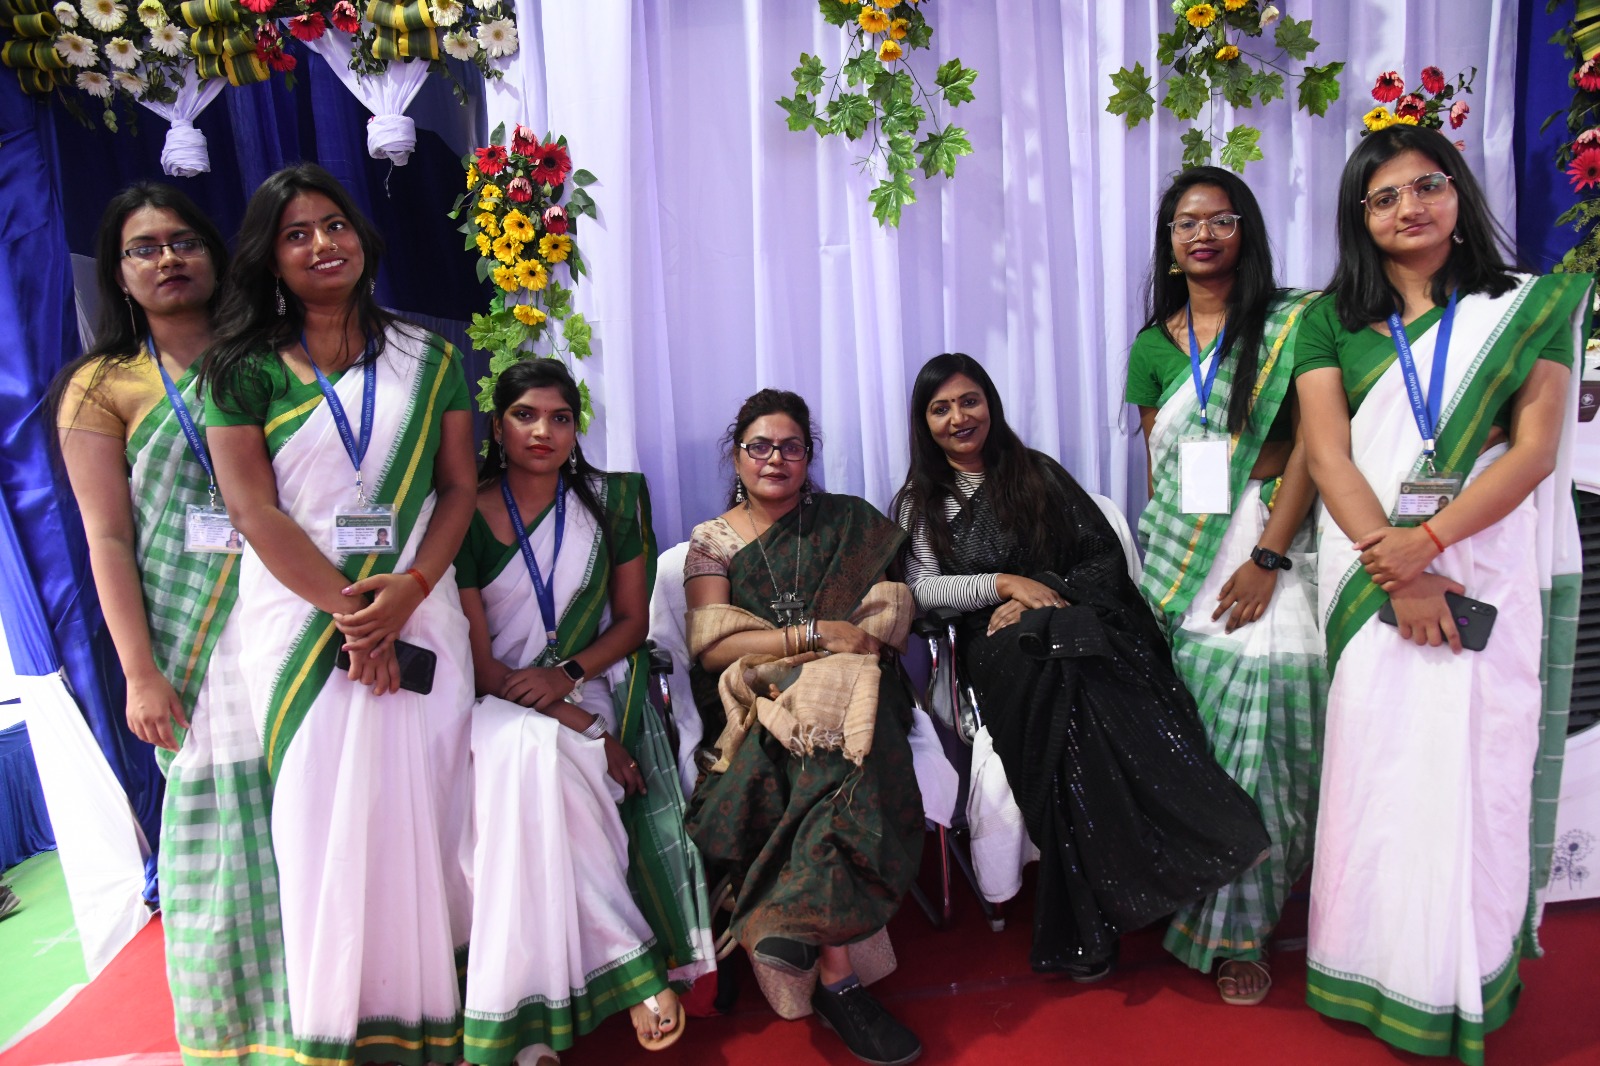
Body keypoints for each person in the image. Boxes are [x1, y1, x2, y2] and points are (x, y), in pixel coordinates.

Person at [1294, 126, 1591, 1062]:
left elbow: (1534, 452)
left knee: (1474, 770)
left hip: (1481, 568)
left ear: (1458, 191)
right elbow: (1328, 454)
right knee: (1378, 772)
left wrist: (1427, 545)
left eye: (1425, 185)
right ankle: (1367, 966)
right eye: (1382, 197)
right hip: (1371, 579)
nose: (1407, 207)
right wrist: (1402, 571)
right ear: (1360, 218)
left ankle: (1462, 971)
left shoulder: (1524, 307)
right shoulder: (1328, 319)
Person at [202, 163, 477, 1065]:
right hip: (300, 625)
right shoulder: (240, 369)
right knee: (321, 818)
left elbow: (458, 488)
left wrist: (410, 590)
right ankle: (341, 1030)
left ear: (362, 236)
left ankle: (443, 1013)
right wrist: (357, 618)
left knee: (428, 805)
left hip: (419, 608)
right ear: (269, 258)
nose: (322, 244)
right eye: (296, 234)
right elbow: (253, 511)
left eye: (334, 224)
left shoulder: (430, 359)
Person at [892, 353, 1271, 982]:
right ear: (924, 423)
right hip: (995, 646)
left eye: (969, 400)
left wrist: (1043, 593)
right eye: (941, 408)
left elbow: (1101, 559)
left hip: (1068, 620)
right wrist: (1004, 584)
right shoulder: (920, 502)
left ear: (991, 404)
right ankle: (1203, 838)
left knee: (1077, 698)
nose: (959, 417)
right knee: (1057, 674)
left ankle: (1092, 914)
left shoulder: (1036, 474)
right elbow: (922, 593)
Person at [50, 184, 291, 1063]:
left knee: (316, 804)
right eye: (143, 248)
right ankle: (245, 1033)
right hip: (196, 641)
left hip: (289, 611)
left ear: (216, 254)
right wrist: (141, 674)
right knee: (224, 833)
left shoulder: (270, 355)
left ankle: (345, 1003)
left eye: (184, 241)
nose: (167, 259)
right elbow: (107, 538)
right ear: (118, 274)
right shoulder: (101, 385)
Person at [456, 358, 714, 1063]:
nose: (543, 431)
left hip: (587, 679)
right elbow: (479, 662)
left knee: (544, 773)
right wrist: (589, 731)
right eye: (525, 415)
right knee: (543, 761)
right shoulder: (462, 511)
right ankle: (632, 970)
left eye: (560, 418)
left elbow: (631, 622)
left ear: (577, 429)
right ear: (496, 426)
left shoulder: (615, 501)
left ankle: (526, 1024)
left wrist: (568, 678)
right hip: (496, 697)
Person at [1127, 167, 1326, 1005]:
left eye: (1219, 219)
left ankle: (1246, 932)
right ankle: (1194, 899)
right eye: (1185, 223)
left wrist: (1268, 558)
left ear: (1246, 230)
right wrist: (1166, 570)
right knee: (1197, 747)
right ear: (1169, 245)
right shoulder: (1153, 345)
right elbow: (1159, 464)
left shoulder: (1293, 322)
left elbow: (1318, 445)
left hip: (1271, 546)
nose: (1202, 234)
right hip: (1184, 563)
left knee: (1266, 742)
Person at [683, 389, 923, 1066]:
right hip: (759, 700)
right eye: (759, 446)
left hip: (855, 695)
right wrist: (813, 636)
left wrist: (837, 654)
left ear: (809, 456)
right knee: (813, 754)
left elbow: (887, 607)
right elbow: (712, 644)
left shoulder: (849, 523)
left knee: (838, 745)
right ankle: (839, 980)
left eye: (790, 446)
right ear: (737, 455)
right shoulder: (713, 540)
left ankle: (793, 923)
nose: (775, 459)